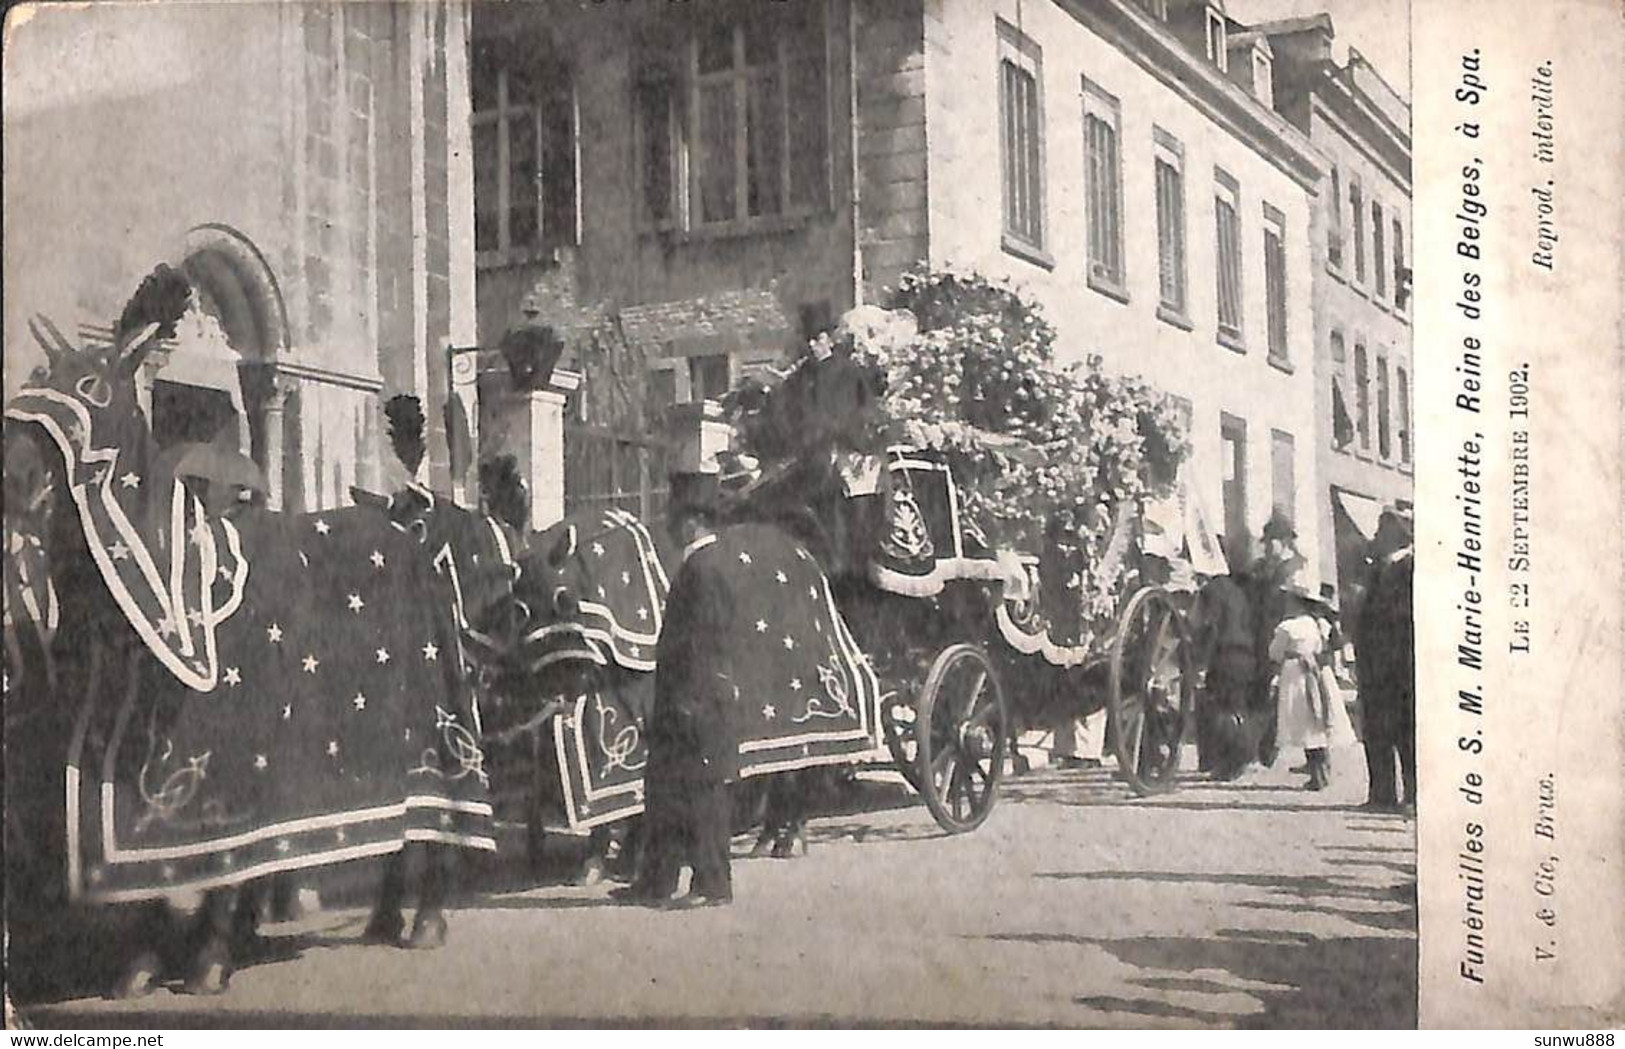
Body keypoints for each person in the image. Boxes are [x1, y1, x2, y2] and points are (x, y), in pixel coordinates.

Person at [618, 468, 738, 908]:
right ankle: (658, 882)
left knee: (701, 795)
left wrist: (687, 704)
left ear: (692, 520)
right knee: (667, 793)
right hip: (688, 701)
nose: (668, 526)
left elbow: (703, 645)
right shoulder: (701, 566)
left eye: (673, 517)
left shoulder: (703, 570)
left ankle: (712, 884)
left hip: (695, 703)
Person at [1269, 560, 1356, 790]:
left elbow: (1275, 653)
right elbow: (1327, 646)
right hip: (1318, 673)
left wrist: (1283, 657)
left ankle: (1317, 773)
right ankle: (1322, 769)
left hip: (1297, 674)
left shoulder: (1287, 627)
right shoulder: (1319, 625)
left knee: (1305, 720)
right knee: (1319, 717)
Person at [1354, 506, 1416, 813]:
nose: (1375, 539)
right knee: (1376, 730)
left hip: (1400, 667)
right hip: (1374, 667)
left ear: (1394, 538)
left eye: (1380, 534)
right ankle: (1382, 794)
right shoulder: (1376, 571)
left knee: (1406, 732)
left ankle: (1414, 794)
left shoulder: (1410, 570)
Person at [1190, 535, 1260, 780]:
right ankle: (1238, 758)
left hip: (1224, 656)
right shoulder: (1237, 591)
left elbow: (1210, 628)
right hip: (1245, 655)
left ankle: (1231, 762)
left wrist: (1201, 663)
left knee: (1220, 710)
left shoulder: (1210, 591)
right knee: (1236, 708)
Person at [1248, 513, 1300, 766]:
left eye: (1272, 541)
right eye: (1266, 542)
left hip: (1288, 639)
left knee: (1287, 695)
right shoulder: (1261, 569)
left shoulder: (1295, 568)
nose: (1267, 547)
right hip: (1261, 637)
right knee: (1263, 692)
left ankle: (1313, 758)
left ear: (1285, 542)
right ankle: (1263, 751)